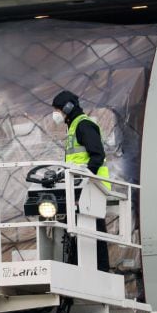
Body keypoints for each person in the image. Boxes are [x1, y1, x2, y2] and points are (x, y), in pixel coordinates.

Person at [51, 90, 110, 272]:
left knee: (95, 233)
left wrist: (84, 182)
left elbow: (97, 156)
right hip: (79, 187)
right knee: (79, 233)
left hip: (92, 187)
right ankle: (79, 269)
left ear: (68, 107)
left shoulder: (84, 125)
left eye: (58, 110)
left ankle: (100, 271)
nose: (56, 114)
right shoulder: (74, 126)